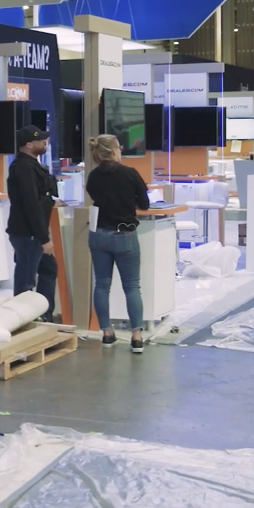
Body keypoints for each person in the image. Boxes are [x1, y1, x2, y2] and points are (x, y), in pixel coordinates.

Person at [85, 134, 151, 354]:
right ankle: (136, 336)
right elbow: (144, 204)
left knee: (102, 285)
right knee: (131, 286)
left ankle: (106, 332)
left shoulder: (93, 176)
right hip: (124, 235)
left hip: (98, 235)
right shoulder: (130, 174)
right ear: (114, 151)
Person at [7, 124, 58, 321]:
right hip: (28, 233)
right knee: (26, 280)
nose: (45, 142)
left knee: (48, 269)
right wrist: (44, 238)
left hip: (32, 232)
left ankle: (44, 314)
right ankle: (22, 320)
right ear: (28, 144)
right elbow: (31, 204)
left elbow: (40, 197)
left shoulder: (32, 166)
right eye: (40, 139)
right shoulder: (23, 167)